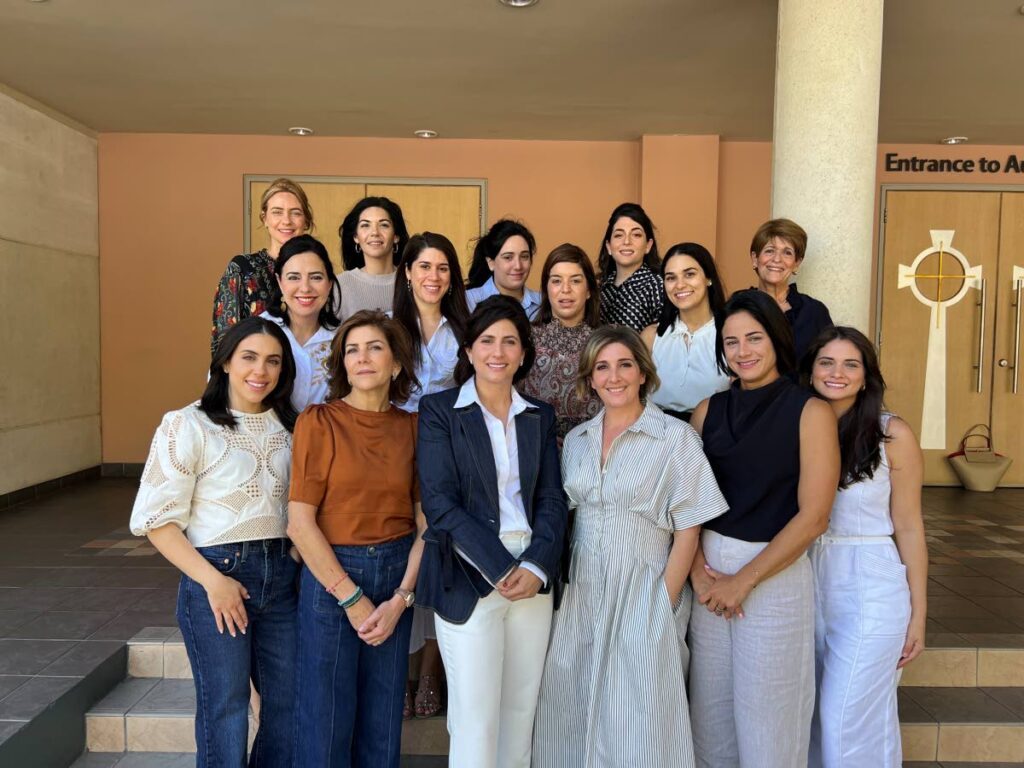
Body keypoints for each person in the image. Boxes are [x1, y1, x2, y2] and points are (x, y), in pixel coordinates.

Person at [532, 325, 728, 768]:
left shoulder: (674, 437)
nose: (613, 376)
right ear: (590, 377)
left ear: (643, 373)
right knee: (573, 696)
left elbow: (690, 527)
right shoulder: (578, 440)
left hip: (646, 583)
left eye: (625, 365)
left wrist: (664, 600)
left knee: (639, 708)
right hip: (583, 588)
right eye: (602, 367)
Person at [130, 317, 299, 768]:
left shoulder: (292, 426)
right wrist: (213, 582)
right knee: (225, 708)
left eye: (272, 361)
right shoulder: (188, 425)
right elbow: (158, 522)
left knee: (286, 705)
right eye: (248, 357)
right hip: (216, 576)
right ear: (225, 361)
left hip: (283, 578)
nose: (259, 371)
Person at [687, 289, 840, 768]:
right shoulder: (707, 410)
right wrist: (697, 573)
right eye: (731, 342)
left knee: (770, 722)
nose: (743, 351)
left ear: (776, 339)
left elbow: (814, 516)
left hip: (774, 575)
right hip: (710, 575)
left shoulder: (809, 411)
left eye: (754, 337)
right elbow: (684, 504)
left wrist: (743, 581)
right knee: (710, 720)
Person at [416, 296, 568, 768]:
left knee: (520, 715)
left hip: (533, 581)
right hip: (470, 575)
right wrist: (503, 568)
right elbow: (440, 503)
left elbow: (549, 498)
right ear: (468, 350)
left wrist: (537, 565)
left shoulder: (539, 415)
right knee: (475, 722)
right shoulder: (441, 410)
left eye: (509, 341)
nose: (497, 352)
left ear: (524, 352)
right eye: (486, 341)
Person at [286, 310, 425, 768]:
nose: (362, 358)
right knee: (324, 718)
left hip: (394, 577)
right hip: (331, 579)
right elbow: (300, 524)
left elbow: (426, 525)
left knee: (382, 718)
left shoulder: (414, 428)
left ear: (397, 364)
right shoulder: (319, 421)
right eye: (352, 350)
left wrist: (402, 597)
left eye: (375, 348)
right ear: (342, 364)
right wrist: (351, 598)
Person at [802, 326, 927, 768]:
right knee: (814, 716)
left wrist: (919, 612)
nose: (837, 373)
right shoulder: (795, 426)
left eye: (850, 364)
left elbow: (909, 527)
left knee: (845, 717)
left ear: (866, 374)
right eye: (827, 362)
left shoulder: (892, 433)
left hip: (871, 581)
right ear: (810, 369)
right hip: (808, 577)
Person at [391, 231, 471, 718]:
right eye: (424, 267)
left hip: (451, 456)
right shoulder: (387, 326)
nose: (433, 277)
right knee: (402, 559)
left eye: (442, 268)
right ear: (407, 273)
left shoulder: (464, 328)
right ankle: (401, 673)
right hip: (395, 451)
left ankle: (431, 676)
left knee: (441, 559)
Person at [211, 178, 313, 355]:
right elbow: (224, 341)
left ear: (306, 220)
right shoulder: (242, 269)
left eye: (295, 213)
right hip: (256, 376)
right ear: (264, 219)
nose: (286, 221)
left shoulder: (317, 273)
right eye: (277, 212)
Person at [520, 243, 601, 440]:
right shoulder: (525, 337)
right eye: (556, 281)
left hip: (592, 448)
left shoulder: (606, 341)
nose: (565, 289)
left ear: (589, 290)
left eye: (575, 281)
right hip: (536, 446)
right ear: (546, 289)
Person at [642, 242, 731, 421]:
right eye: (671, 277)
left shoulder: (729, 334)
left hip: (713, 436)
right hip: (658, 436)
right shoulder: (651, 336)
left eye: (689, 274)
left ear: (708, 278)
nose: (679, 285)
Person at [260, 234, 340, 412]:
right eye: (294, 277)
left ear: (329, 284)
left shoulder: (343, 340)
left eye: (316, 277)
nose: (305, 288)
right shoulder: (256, 333)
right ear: (280, 282)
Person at [749, 218, 833, 361]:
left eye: (787, 253)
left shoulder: (815, 312)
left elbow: (829, 361)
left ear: (796, 263)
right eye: (769, 251)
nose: (777, 259)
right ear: (755, 259)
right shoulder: (737, 308)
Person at [336, 196, 411, 321]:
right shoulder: (340, 285)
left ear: (396, 236)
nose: (375, 232)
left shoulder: (411, 281)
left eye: (384, 225)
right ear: (355, 237)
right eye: (365, 225)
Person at [597, 202, 663, 332]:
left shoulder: (658, 286)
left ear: (648, 245)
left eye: (636, 234)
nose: (627, 241)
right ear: (609, 246)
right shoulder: (599, 286)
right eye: (618, 235)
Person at [465, 219, 542, 319]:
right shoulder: (468, 301)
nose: (518, 266)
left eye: (524, 256)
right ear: (491, 263)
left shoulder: (543, 304)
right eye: (508, 257)